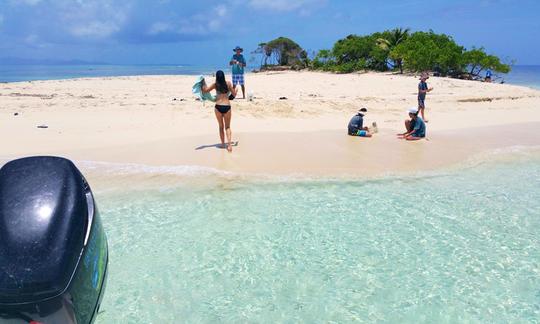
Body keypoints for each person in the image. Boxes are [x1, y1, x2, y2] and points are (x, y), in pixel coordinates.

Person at [202, 70, 238, 152]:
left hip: (218, 107)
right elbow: (234, 95)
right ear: (223, 76)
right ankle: (229, 145)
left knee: (221, 126)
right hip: (227, 106)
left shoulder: (215, 85)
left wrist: (202, 82)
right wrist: (235, 91)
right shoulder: (228, 83)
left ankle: (222, 144)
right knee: (227, 127)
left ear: (217, 77)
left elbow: (205, 90)